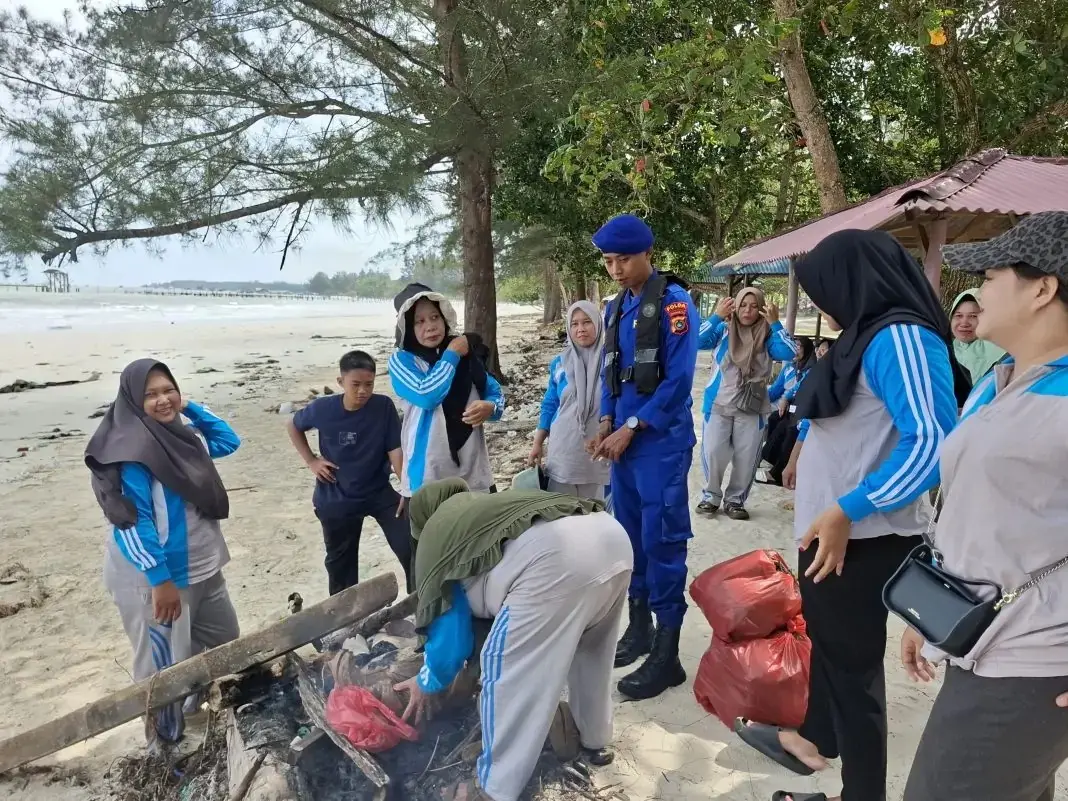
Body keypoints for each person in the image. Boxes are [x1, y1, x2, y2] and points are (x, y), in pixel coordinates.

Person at [734, 230, 969, 801]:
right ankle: (814, 737)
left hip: (864, 537)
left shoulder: (902, 337)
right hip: (834, 531)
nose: (820, 303)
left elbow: (933, 443)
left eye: (823, 290)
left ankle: (861, 793)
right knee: (831, 649)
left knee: (854, 674)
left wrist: (849, 508)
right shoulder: (862, 336)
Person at [899, 211, 1068, 801]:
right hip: (978, 636)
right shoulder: (1004, 380)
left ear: (1043, 289)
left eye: (991, 278)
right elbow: (976, 513)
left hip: (1031, 659)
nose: (975, 295)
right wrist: (930, 613)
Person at [392, 478, 633, 801]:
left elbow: (450, 636)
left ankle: (492, 788)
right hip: (611, 539)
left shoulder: (436, 533)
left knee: (505, 673)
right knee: (593, 652)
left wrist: (428, 680)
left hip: (556, 562)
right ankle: (594, 739)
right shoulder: (483, 508)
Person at [84, 359, 241, 746]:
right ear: (132, 401)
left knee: (225, 639)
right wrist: (160, 580)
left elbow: (227, 440)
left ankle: (198, 709)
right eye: (150, 394)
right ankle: (163, 744)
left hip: (203, 567)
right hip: (157, 578)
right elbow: (131, 523)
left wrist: (189, 406)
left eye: (168, 390)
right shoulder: (131, 454)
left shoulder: (182, 439)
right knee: (161, 668)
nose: (163, 399)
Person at [585, 213, 698, 701]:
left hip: (659, 443)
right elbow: (610, 373)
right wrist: (607, 420)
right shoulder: (615, 308)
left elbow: (679, 382)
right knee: (628, 539)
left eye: (624, 260)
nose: (615, 269)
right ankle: (640, 629)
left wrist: (632, 426)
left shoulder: (674, 305)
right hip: (623, 444)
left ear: (648, 253)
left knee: (663, 539)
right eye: (609, 261)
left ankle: (668, 653)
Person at [287, 350, 413, 595]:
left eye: (369, 384)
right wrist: (311, 460)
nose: (363, 391)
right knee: (341, 568)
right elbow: (292, 425)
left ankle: (421, 603)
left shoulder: (382, 406)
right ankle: (345, 616)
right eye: (355, 384)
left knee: (411, 545)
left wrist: (407, 489)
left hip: (378, 492)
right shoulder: (323, 408)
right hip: (337, 496)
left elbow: (395, 451)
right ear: (341, 381)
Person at [388, 284, 505, 496]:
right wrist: (451, 354)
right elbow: (427, 396)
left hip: (474, 472)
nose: (430, 326)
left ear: (444, 319)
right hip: (428, 476)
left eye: (435, 317)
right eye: (419, 321)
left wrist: (491, 407)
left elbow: (495, 393)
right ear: (407, 326)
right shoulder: (402, 361)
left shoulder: (467, 356)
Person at [696, 286, 799, 519]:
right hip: (719, 404)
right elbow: (696, 341)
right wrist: (716, 316)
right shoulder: (723, 330)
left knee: (747, 457)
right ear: (735, 306)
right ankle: (711, 496)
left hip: (752, 407)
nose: (748, 311)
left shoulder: (768, 335)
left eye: (754, 306)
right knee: (713, 451)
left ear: (761, 309)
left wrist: (775, 323)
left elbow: (790, 352)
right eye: (743, 305)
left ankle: (735, 501)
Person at [527, 301, 610, 500]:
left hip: (599, 450)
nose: (580, 329)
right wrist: (537, 443)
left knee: (596, 512)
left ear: (598, 324)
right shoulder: (560, 363)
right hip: (564, 450)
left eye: (587, 322)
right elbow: (550, 405)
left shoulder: (612, 362)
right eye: (574, 324)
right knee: (563, 512)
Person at [758, 336, 815, 487]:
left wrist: (788, 399)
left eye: (799, 346)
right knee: (774, 418)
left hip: (804, 410)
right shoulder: (790, 368)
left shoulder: (813, 370)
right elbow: (776, 391)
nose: (795, 350)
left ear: (808, 350)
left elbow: (804, 391)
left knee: (787, 427)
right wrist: (758, 401)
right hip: (789, 407)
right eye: (793, 346)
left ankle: (777, 470)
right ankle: (771, 459)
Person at [950, 288, 1006, 382]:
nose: (964, 323)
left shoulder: (1001, 352)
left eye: (973, 316)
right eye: (958, 316)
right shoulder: (944, 350)